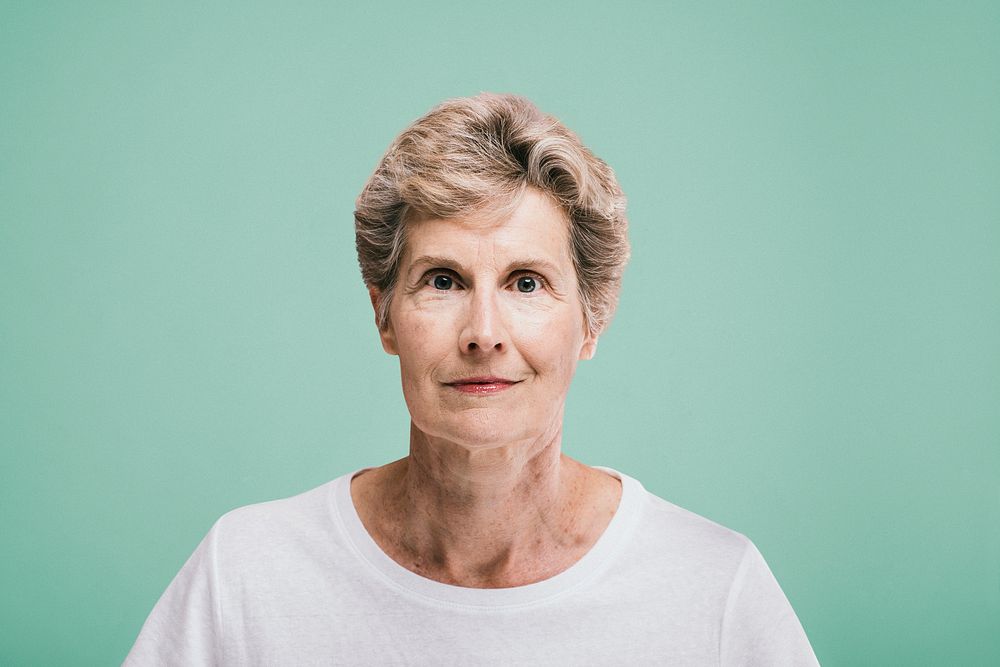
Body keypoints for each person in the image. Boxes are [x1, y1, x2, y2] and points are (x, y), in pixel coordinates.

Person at [126, 93, 819, 665]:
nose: (483, 331)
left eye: (526, 281)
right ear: (384, 315)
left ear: (591, 320)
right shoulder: (248, 576)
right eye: (443, 279)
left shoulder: (715, 593)